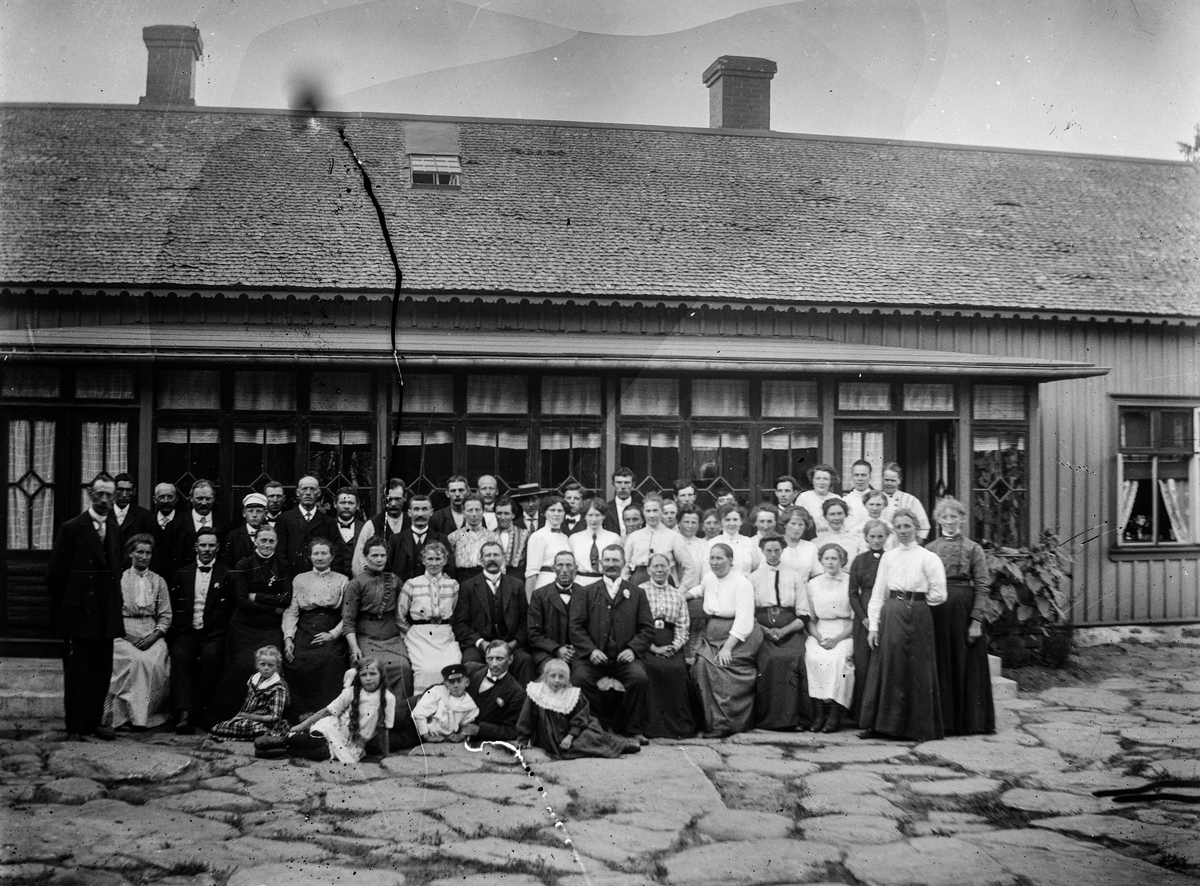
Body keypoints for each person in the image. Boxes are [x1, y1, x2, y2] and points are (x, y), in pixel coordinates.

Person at [45, 476, 124, 741]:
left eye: (109, 495)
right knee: (77, 673)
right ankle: (75, 727)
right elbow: (55, 575)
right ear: (89, 494)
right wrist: (71, 605)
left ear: (115, 498)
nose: (104, 500)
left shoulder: (113, 526)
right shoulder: (72, 528)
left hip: (105, 613)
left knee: (101, 672)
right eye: (99, 494)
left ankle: (93, 723)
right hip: (80, 613)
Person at [858, 509, 946, 741]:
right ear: (894, 530)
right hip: (892, 611)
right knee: (889, 664)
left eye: (908, 526)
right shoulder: (889, 557)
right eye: (899, 527)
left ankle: (918, 728)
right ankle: (881, 725)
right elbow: (878, 593)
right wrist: (874, 627)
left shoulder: (928, 557)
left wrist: (916, 604)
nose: (904, 531)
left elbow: (939, 593)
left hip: (918, 611)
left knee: (918, 668)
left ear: (916, 527)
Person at [569, 545, 653, 744]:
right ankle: (597, 726)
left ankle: (633, 730)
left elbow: (647, 628)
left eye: (615, 560)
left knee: (638, 677)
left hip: (623, 658)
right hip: (594, 657)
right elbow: (575, 627)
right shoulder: (586, 592)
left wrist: (633, 649)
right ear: (600, 563)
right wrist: (591, 651)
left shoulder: (636, 593)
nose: (611, 565)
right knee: (580, 678)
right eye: (607, 560)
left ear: (623, 563)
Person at [209, 524, 292, 723]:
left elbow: (286, 599)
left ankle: (266, 717)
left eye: (271, 541)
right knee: (240, 667)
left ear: (276, 543)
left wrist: (258, 596)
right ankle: (234, 715)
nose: (267, 544)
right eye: (263, 540)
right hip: (243, 627)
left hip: (270, 628)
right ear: (255, 541)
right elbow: (242, 601)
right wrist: (272, 606)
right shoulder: (243, 565)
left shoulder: (283, 565)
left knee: (271, 667)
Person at [926, 497, 995, 735]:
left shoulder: (973, 548)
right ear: (938, 520)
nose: (949, 522)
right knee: (941, 663)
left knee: (965, 664)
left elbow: (983, 585)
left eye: (954, 516)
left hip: (964, 612)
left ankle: (970, 723)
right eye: (944, 517)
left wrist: (976, 620)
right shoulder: (930, 549)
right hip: (937, 611)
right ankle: (944, 721)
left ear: (962, 519)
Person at [687, 543, 763, 738]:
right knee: (702, 665)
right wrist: (685, 595)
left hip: (738, 638)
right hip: (713, 637)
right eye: (712, 558)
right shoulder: (710, 578)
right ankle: (709, 719)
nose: (715, 562)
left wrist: (728, 648)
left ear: (731, 561)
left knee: (719, 667)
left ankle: (726, 722)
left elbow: (744, 620)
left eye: (720, 558)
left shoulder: (742, 583)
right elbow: (701, 589)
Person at [169, 526, 235, 733]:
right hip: (187, 631)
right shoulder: (182, 573)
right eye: (203, 545)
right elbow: (173, 605)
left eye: (211, 545)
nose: (206, 549)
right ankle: (183, 713)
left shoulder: (227, 574)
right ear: (195, 547)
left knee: (211, 656)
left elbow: (232, 608)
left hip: (214, 633)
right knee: (179, 655)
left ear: (218, 548)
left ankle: (197, 710)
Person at [103, 533, 172, 730]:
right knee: (134, 661)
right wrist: (128, 636)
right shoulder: (120, 579)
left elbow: (166, 616)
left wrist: (154, 636)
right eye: (139, 552)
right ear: (130, 553)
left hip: (152, 632)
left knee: (155, 662)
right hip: (122, 632)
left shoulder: (159, 581)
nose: (144, 556)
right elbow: (111, 613)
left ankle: (146, 717)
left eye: (148, 553)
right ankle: (123, 717)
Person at [516, 658, 640, 758]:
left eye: (561, 677)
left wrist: (571, 735)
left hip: (573, 731)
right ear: (545, 677)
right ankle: (619, 746)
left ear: (567, 679)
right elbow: (527, 717)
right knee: (575, 746)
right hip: (550, 735)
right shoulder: (537, 693)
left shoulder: (572, 694)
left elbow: (581, 715)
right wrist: (522, 739)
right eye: (552, 676)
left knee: (592, 734)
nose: (556, 681)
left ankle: (621, 744)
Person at [283, 538, 350, 717]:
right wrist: (288, 638)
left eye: (324, 553)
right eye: (316, 553)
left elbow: (348, 615)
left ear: (332, 556)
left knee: (331, 660)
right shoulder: (300, 579)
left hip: (331, 626)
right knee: (295, 660)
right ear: (310, 556)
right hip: (306, 627)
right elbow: (292, 612)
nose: (320, 557)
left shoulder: (343, 580)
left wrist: (333, 634)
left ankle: (326, 715)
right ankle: (301, 714)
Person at [751, 535, 812, 731]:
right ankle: (769, 718)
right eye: (769, 550)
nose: (773, 554)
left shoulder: (793, 576)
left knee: (796, 657)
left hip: (790, 628)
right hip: (762, 629)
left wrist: (784, 630)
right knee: (769, 659)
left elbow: (803, 614)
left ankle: (796, 719)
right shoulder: (753, 578)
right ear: (762, 551)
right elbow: (748, 614)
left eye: (777, 550)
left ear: (782, 550)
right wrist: (766, 631)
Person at [282, 658, 393, 762]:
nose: (368, 678)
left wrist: (386, 756)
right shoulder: (351, 692)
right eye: (364, 675)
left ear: (381, 675)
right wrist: (302, 726)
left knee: (321, 754)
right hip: (332, 728)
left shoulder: (388, 698)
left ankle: (284, 749)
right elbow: (327, 711)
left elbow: (384, 731)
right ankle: (283, 740)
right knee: (314, 741)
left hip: (351, 745)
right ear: (359, 677)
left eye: (373, 674)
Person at [452, 540, 533, 684]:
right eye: (487, 555)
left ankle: (521, 704)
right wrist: (482, 643)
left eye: (496, 555)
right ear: (480, 560)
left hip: (510, 644)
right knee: (470, 661)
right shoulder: (468, 586)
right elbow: (461, 624)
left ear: (503, 558)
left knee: (525, 660)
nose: (492, 559)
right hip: (480, 646)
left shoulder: (516, 585)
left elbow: (524, 620)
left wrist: (512, 644)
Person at [639, 553, 699, 738]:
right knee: (649, 669)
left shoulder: (677, 595)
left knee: (677, 671)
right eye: (655, 566)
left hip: (671, 642)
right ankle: (651, 726)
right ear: (648, 569)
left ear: (669, 569)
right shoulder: (639, 592)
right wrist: (652, 648)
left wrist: (675, 646)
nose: (659, 570)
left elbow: (683, 625)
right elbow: (635, 623)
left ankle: (677, 727)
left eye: (663, 566)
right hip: (646, 641)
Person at [343, 536, 411, 698]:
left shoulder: (395, 580)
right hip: (366, 638)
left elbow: (404, 609)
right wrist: (354, 648)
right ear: (365, 557)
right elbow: (348, 620)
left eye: (382, 555)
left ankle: (398, 715)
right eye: (374, 555)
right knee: (372, 669)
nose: (379, 559)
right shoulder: (356, 583)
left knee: (404, 668)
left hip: (392, 638)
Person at [805, 543, 855, 733]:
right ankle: (819, 714)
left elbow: (853, 620)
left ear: (842, 560)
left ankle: (835, 714)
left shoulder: (851, 582)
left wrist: (837, 639)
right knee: (813, 658)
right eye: (827, 558)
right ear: (821, 560)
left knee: (838, 659)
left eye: (835, 558)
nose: (831, 562)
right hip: (820, 630)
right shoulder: (813, 583)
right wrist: (817, 636)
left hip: (844, 631)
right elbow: (810, 618)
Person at [399, 541, 462, 693]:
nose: (434, 563)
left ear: (445, 561)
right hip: (419, 636)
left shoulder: (452, 585)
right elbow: (399, 615)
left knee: (452, 666)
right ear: (423, 560)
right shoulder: (412, 584)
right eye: (430, 559)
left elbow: (455, 610)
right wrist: (411, 633)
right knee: (426, 670)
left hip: (444, 635)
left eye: (438, 559)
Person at [848, 520, 889, 724]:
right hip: (863, 615)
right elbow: (853, 594)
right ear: (865, 538)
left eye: (880, 536)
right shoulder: (859, 561)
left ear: (887, 538)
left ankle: (882, 714)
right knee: (863, 664)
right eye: (872, 536)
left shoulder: (891, 559)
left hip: (886, 613)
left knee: (884, 663)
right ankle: (862, 716)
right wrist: (864, 619)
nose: (876, 540)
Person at [209, 645, 290, 740]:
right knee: (219, 727)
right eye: (262, 664)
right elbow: (247, 704)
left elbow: (275, 717)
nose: (266, 668)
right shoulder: (254, 679)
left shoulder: (277, 687)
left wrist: (250, 717)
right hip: (248, 719)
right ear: (257, 665)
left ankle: (264, 735)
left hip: (265, 722)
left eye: (270, 665)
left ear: (276, 667)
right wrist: (239, 717)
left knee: (256, 729)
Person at [622, 493, 699, 589]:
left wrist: (681, 591)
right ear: (643, 512)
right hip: (638, 583)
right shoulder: (634, 537)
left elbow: (690, 568)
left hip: (665, 583)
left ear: (662, 512)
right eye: (648, 511)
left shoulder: (674, 537)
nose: (652, 515)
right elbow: (625, 567)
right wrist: (625, 588)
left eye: (655, 511)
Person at [394, 663, 479, 748]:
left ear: (467, 682)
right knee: (389, 723)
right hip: (411, 718)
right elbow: (418, 713)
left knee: (393, 742)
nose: (456, 685)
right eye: (451, 682)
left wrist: (461, 735)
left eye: (459, 681)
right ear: (446, 684)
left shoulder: (469, 705)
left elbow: (468, 723)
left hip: (426, 734)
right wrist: (427, 736)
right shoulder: (437, 692)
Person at [527, 551, 580, 674]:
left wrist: (577, 648)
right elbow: (533, 634)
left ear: (576, 568)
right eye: (560, 565)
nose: (564, 570)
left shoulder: (585, 594)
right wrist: (557, 649)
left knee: (582, 675)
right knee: (553, 672)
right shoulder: (539, 595)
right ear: (553, 568)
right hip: (546, 653)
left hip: (577, 653)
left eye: (569, 565)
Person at [465, 640, 527, 741]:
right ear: (485, 658)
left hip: (482, 743)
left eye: (499, 659)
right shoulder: (470, 669)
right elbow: (442, 689)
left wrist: (480, 729)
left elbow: (511, 730)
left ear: (510, 659)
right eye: (490, 658)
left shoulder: (516, 692)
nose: (494, 664)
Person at [275, 476, 337, 576]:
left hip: (321, 577)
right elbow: (280, 553)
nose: (308, 493)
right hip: (291, 577)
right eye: (304, 488)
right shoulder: (284, 519)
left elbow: (335, 552)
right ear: (297, 492)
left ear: (319, 493)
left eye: (312, 489)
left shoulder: (329, 522)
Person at [386, 494, 453, 585]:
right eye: (416, 509)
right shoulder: (396, 540)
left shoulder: (442, 539)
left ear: (431, 512)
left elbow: (449, 570)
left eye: (425, 509)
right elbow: (388, 570)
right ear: (409, 513)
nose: (420, 514)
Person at [165, 479, 223, 579]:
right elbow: (166, 559)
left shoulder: (224, 524)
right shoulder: (175, 525)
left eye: (208, 499)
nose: (204, 503)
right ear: (191, 498)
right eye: (199, 499)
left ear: (214, 499)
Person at [352, 479, 407, 576]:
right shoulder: (372, 524)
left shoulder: (411, 522)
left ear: (405, 498)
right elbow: (358, 562)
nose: (393, 504)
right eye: (389, 499)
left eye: (397, 499)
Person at [524, 496, 572, 599]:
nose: (556, 514)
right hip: (544, 587)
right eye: (552, 510)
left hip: (564, 587)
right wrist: (530, 602)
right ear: (544, 513)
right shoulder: (538, 536)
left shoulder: (565, 537)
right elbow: (532, 572)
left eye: (560, 511)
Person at [446, 494, 499, 582]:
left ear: (483, 511)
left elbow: (500, 564)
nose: (474, 514)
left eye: (477, 510)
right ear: (463, 512)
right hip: (462, 579)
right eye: (470, 510)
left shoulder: (493, 537)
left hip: (486, 579)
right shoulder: (454, 537)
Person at [569, 498, 622, 585]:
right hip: (580, 582)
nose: (594, 519)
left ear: (604, 516)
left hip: (605, 582)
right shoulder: (574, 538)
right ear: (584, 516)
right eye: (590, 515)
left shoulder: (613, 538)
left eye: (597, 515)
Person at [702, 504, 762, 578]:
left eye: (735, 520)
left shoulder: (749, 542)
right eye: (727, 520)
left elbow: (756, 568)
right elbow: (706, 572)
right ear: (721, 522)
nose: (731, 523)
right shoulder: (711, 543)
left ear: (741, 521)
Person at [879, 463, 931, 541]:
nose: (889, 483)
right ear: (882, 479)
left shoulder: (910, 500)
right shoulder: (875, 499)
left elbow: (924, 526)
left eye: (893, 480)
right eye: (886, 480)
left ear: (899, 480)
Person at [222, 492, 268, 569]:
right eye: (250, 511)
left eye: (259, 511)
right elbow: (226, 565)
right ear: (244, 513)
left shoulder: (271, 535)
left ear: (265, 513)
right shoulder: (233, 536)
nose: (254, 515)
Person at [112, 473, 156, 547]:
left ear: (134, 492)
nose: (124, 495)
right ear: (113, 490)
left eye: (128, 490)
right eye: (120, 490)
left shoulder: (145, 517)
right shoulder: (105, 514)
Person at [330, 487, 365, 578]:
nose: (346, 506)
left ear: (357, 506)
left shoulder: (364, 528)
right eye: (342, 502)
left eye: (350, 503)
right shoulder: (327, 526)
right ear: (335, 504)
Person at [816, 498, 864, 563]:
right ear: (825, 516)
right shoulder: (818, 541)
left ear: (845, 515)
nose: (836, 518)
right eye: (832, 514)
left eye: (840, 513)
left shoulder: (856, 538)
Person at [797, 465, 842, 533]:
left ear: (831, 482)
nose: (821, 482)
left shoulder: (837, 498)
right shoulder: (804, 497)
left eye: (825, 479)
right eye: (818, 478)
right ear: (812, 481)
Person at [779, 506, 820, 580]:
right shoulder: (775, 543)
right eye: (793, 523)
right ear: (785, 524)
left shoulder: (811, 547)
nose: (796, 528)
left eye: (800, 525)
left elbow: (817, 574)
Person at [492, 496, 529, 575]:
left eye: (506, 513)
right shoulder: (489, 535)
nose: (502, 517)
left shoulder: (525, 534)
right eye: (499, 513)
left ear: (513, 515)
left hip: (518, 580)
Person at [151, 482, 181, 577]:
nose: (166, 501)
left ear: (176, 499)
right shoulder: (148, 521)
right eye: (161, 497)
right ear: (154, 500)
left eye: (170, 497)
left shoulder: (184, 522)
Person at [603, 467, 640, 536]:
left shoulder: (640, 508)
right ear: (613, 484)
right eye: (619, 482)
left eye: (627, 482)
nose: (623, 486)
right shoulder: (606, 509)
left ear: (633, 485)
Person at [843, 459, 876, 530]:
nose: (860, 479)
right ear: (852, 477)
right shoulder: (845, 501)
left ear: (870, 476)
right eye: (856, 475)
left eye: (863, 475)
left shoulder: (877, 500)